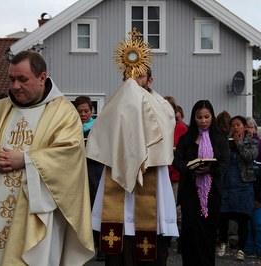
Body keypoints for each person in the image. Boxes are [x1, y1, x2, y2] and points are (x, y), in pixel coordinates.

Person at [0, 50, 94, 265]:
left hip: (36, 215)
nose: (15, 86)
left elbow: (69, 155)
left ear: (42, 77)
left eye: (22, 79)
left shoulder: (63, 112)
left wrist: (25, 160)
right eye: (12, 79)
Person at [87, 30, 179, 265]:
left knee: (150, 249)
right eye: (129, 76)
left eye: (140, 77)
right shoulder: (113, 105)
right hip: (117, 182)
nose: (133, 82)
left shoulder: (163, 107)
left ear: (150, 80)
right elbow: (102, 134)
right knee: (119, 250)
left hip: (151, 180)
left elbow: (165, 133)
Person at [172, 100, 229, 265]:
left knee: (208, 234)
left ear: (212, 116)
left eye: (206, 116)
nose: (203, 120)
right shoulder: (186, 138)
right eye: (199, 117)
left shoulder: (219, 138)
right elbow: (177, 162)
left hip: (212, 194)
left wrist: (209, 170)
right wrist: (190, 167)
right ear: (193, 118)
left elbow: (225, 163)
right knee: (190, 234)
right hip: (190, 192)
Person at [216, 115, 259, 261]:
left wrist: (239, 143)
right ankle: (222, 242)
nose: (235, 127)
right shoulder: (225, 142)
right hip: (227, 183)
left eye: (238, 124)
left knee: (242, 217)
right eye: (232, 125)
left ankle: (241, 249)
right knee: (223, 214)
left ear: (245, 127)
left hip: (244, 185)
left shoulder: (252, 142)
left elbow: (249, 157)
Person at [74, 95, 105, 261]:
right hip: (77, 172)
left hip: (94, 170)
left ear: (92, 111)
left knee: (95, 206)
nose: (83, 114)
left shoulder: (98, 126)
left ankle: (99, 245)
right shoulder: (71, 128)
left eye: (86, 111)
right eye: (79, 111)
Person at [164, 96, 188, 249]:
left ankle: (181, 239)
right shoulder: (157, 125)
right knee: (164, 208)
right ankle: (165, 238)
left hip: (176, 175)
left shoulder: (181, 128)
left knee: (178, 209)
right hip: (162, 174)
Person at [245, 117, 261, 258]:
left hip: (259, 188)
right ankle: (248, 249)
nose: (248, 129)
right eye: (246, 127)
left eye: (250, 126)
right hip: (245, 190)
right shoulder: (240, 144)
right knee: (247, 223)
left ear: (254, 128)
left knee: (258, 224)